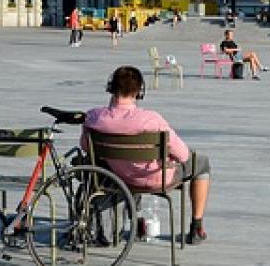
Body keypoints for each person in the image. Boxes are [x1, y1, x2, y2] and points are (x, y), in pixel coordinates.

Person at [83, 66, 212, 245]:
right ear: (139, 91)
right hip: (156, 177)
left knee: (125, 163)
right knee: (202, 163)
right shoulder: (151, 119)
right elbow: (182, 155)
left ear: (111, 88)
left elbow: (85, 146)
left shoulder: (94, 117)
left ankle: (135, 220)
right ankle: (197, 227)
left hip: (119, 176)